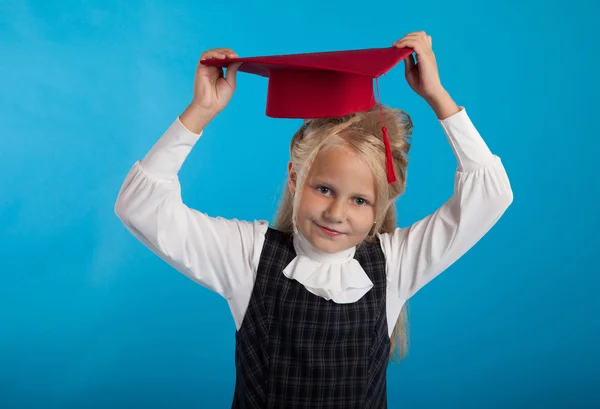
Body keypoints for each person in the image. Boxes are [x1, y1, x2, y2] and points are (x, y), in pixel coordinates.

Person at [114, 31, 513, 408]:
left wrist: (438, 96)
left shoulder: (396, 264)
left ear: (382, 204)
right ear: (294, 177)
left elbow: (490, 196)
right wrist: (199, 112)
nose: (336, 214)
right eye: (324, 189)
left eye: (359, 200)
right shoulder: (248, 257)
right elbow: (141, 206)